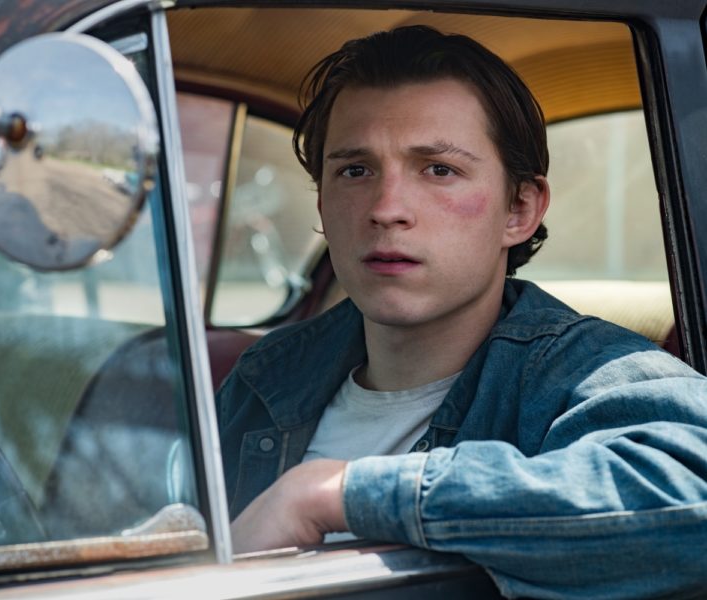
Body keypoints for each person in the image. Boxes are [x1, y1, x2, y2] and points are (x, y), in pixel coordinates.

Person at [216, 25, 707, 598]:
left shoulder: (586, 372)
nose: (386, 208)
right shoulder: (267, 374)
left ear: (519, 209)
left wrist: (332, 495)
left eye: (438, 169)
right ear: (322, 202)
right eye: (355, 170)